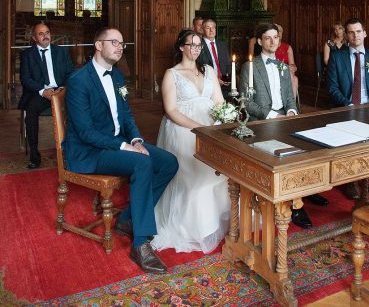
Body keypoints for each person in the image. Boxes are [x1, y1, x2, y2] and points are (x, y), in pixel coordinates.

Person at [63, 27, 178, 273]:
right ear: (98, 45)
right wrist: (125, 146)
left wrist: (135, 140)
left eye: (122, 44)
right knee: (142, 162)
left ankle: (127, 219)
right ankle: (141, 244)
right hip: (90, 151)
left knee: (169, 162)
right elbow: (85, 132)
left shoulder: (117, 76)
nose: (119, 47)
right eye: (114, 42)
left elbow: (126, 115)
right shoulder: (78, 80)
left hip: (118, 143)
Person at [151, 29, 230, 253]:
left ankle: (218, 220)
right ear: (181, 47)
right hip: (183, 128)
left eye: (198, 45)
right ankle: (195, 227)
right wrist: (198, 128)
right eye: (192, 44)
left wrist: (224, 118)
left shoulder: (209, 70)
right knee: (197, 177)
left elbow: (219, 101)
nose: (196, 49)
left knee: (224, 172)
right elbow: (171, 110)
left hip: (210, 126)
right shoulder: (172, 74)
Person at [239, 23, 325, 228]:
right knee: (286, 160)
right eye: (267, 38)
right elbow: (246, 102)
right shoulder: (250, 66)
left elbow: (289, 98)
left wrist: (292, 112)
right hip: (262, 123)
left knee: (308, 151)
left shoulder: (283, 66)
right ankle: (294, 206)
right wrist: (272, 116)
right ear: (260, 42)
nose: (272, 41)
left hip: (285, 120)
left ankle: (304, 195)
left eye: (275, 37)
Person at [326, 18, 369, 200]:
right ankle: (350, 180)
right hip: (346, 107)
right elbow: (332, 88)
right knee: (350, 145)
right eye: (351, 32)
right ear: (346, 35)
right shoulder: (337, 57)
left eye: (358, 31)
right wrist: (348, 105)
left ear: (364, 33)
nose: (355, 35)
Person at [19, 22, 73, 169]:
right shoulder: (27, 55)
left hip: (60, 91)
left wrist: (62, 88)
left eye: (47, 33)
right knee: (31, 111)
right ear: (34, 38)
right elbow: (25, 79)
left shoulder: (61, 51)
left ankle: (72, 150)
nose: (45, 36)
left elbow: (70, 73)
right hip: (41, 92)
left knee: (78, 107)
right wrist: (43, 91)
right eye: (41, 34)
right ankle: (34, 155)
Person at [197, 18, 231, 97]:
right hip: (207, 86)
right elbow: (198, 68)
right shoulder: (198, 45)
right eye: (208, 28)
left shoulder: (222, 45)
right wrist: (215, 80)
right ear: (202, 30)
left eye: (213, 27)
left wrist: (228, 78)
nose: (211, 30)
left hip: (225, 86)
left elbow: (228, 64)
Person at [275, 24, 299, 100]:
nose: (279, 33)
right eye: (277, 32)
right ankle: (289, 103)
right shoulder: (269, 46)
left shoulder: (287, 47)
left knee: (294, 78)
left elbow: (292, 63)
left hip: (286, 72)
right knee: (293, 78)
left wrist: (293, 67)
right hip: (274, 72)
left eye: (280, 32)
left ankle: (292, 103)